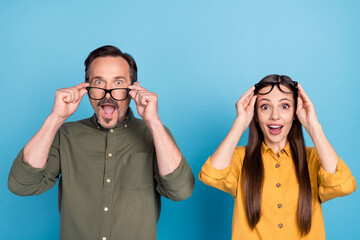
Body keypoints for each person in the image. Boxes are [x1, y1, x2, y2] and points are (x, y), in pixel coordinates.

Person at [8, 45, 195, 240]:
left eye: (118, 82)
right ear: (87, 87)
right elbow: (22, 185)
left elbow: (180, 191)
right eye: (99, 82)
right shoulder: (66, 134)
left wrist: (154, 124)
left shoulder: (155, 134)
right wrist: (55, 118)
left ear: (133, 90)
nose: (108, 93)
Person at [199, 74, 356, 239]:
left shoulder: (313, 159)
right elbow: (211, 175)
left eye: (285, 106)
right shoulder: (239, 158)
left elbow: (343, 185)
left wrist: (313, 125)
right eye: (265, 107)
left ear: (295, 113)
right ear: (256, 114)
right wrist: (240, 123)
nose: (275, 116)